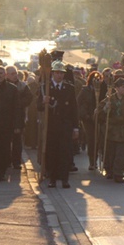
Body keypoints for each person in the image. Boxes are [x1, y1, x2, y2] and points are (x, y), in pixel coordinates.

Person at [38, 61, 80, 189]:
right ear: (53, 73)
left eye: (61, 73)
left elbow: (74, 109)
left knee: (65, 152)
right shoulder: (46, 87)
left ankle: (65, 179)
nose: (59, 76)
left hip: (65, 125)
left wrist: (75, 127)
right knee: (52, 152)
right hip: (51, 125)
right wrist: (43, 101)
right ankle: (52, 178)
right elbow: (38, 106)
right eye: (57, 73)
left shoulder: (69, 88)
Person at [0, 66, 24, 182]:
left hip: (7, 124)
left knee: (4, 149)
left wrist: (17, 125)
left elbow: (17, 108)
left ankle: (2, 171)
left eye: (1, 73)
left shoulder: (12, 89)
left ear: (5, 75)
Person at [99, 77, 124, 183]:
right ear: (116, 88)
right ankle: (109, 170)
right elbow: (99, 115)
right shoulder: (109, 99)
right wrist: (106, 108)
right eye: (123, 87)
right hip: (111, 129)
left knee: (121, 153)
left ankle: (119, 173)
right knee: (110, 152)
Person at [6, 65, 33, 169]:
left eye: (16, 73)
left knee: (17, 141)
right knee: (5, 141)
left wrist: (18, 104)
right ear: (7, 74)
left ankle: (16, 162)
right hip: (6, 117)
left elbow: (29, 97)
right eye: (12, 74)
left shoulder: (22, 86)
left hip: (18, 116)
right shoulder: (4, 85)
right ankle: (6, 161)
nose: (15, 76)